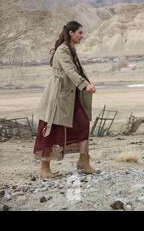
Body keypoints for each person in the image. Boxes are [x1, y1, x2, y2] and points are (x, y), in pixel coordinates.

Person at [33, 21, 98, 178]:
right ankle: (44, 167)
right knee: (51, 129)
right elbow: (70, 71)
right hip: (59, 97)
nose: (82, 36)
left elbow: (75, 71)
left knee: (83, 123)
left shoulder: (71, 50)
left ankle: (83, 161)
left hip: (71, 96)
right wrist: (85, 85)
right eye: (80, 33)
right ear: (71, 33)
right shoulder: (62, 50)